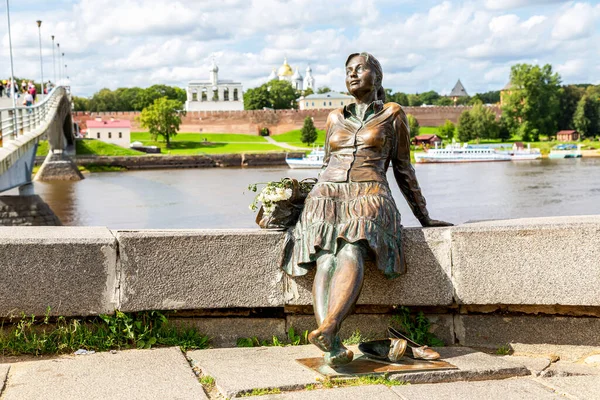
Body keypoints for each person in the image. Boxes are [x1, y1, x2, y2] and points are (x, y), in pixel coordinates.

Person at [281, 52, 451, 366]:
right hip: (327, 194)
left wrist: (423, 216)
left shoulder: (392, 113)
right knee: (325, 256)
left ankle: (329, 327)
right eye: (348, 70)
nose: (353, 74)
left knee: (350, 249)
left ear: (377, 76)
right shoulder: (334, 117)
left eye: (361, 68)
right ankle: (330, 342)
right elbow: (323, 165)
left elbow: (403, 169)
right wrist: (289, 199)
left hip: (371, 192)